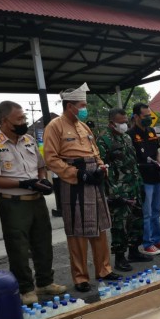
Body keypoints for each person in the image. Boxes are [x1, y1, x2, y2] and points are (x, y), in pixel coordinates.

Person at [0, 101, 66, 304]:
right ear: (4, 121)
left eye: (24, 117)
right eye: (19, 119)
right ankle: (26, 288)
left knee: (43, 243)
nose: (24, 122)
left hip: (36, 201)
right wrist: (23, 183)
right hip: (13, 203)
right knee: (18, 248)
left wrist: (42, 180)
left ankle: (45, 282)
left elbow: (41, 166)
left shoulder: (28, 140)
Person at [43, 83, 121, 292]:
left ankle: (104, 269)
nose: (85, 108)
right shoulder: (55, 126)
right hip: (74, 182)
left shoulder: (84, 126)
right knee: (77, 231)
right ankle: (80, 277)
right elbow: (51, 159)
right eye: (82, 105)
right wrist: (77, 173)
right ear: (70, 106)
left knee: (100, 226)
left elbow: (94, 151)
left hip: (93, 179)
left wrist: (100, 165)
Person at [97, 107, 152, 272]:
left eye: (125, 121)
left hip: (134, 186)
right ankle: (120, 258)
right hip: (118, 189)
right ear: (111, 123)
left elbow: (132, 163)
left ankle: (134, 252)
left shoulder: (127, 138)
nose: (124, 125)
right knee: (120, 225)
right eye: (121, 122)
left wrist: (140, 184)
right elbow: (102, 168)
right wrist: (110, 192)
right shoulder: (103, 140)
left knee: (137, 221)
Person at [128, 102, 160, 257]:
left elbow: (156, 152)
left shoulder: (152, 131)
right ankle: (147, 244)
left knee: (156, 211)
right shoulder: (130, 134)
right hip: (143, 179)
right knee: (146, 214)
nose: (148, 118)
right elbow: (131, 159)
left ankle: (157, 239)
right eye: (145, 116)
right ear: (136, 117)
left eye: (149, 115)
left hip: (156, 177)